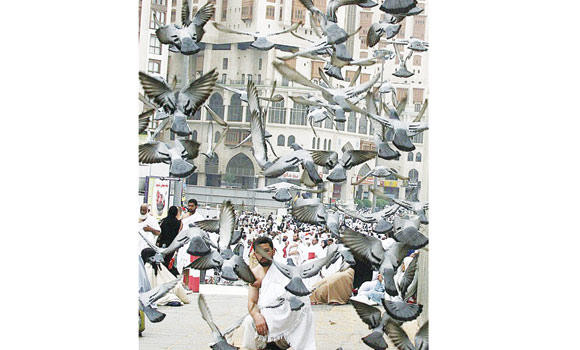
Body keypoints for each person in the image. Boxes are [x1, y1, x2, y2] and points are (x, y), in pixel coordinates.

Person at [241, 236, 316, 350]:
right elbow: (252, 302)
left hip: (288, 316)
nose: (263, 256)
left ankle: (278, 342)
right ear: (255, 255)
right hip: (267, 316)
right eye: (259, 252)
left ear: (273, 251)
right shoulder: (254, 274)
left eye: (266, 251)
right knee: (248, 321)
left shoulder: (286, 271)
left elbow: (301, 300)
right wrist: (257, 316)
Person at [157, 206, 183, 275]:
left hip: (163, 243)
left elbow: (160, 232)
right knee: (169, 261)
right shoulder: (178, 223)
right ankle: (168, 275)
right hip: (172, 245)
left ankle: (161, 274)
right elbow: (178, 234)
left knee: (161, 260)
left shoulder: (163, 220)